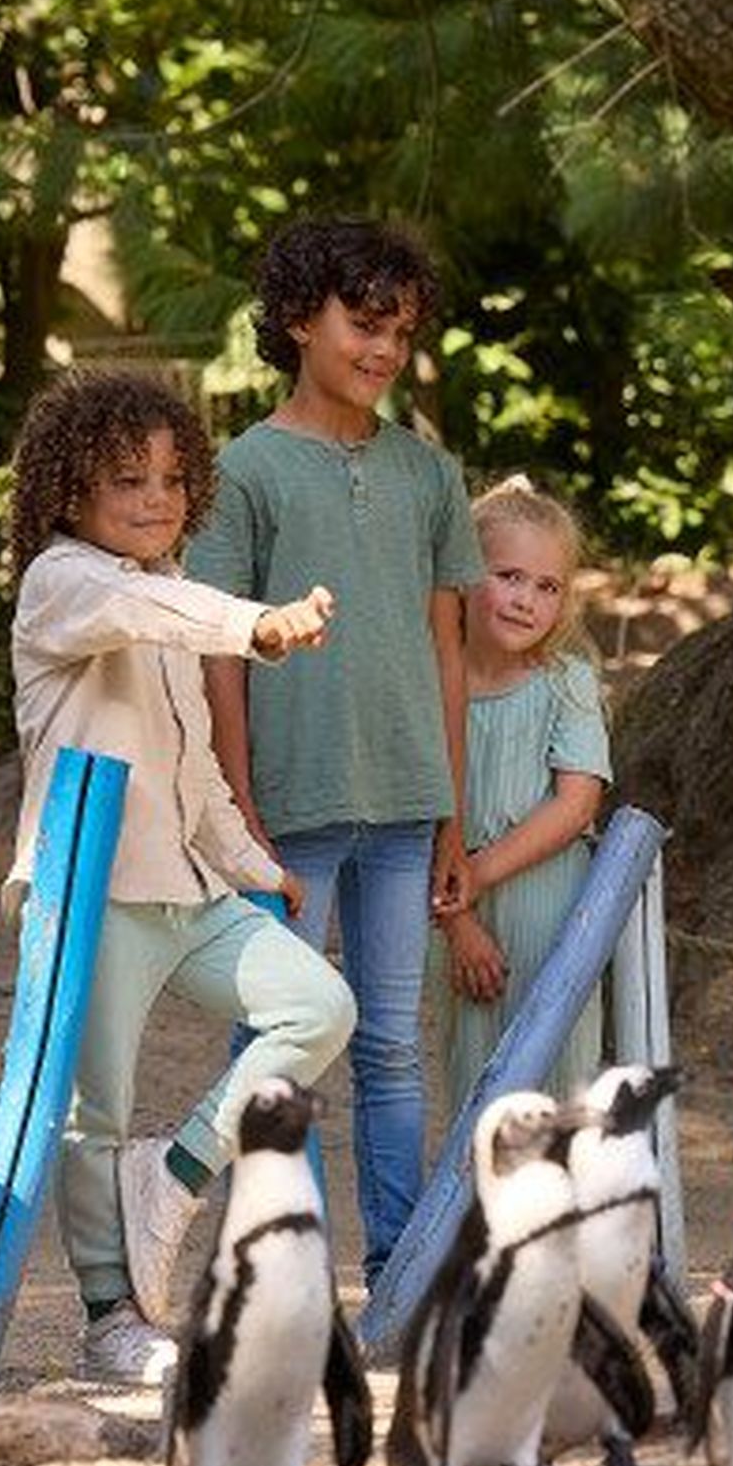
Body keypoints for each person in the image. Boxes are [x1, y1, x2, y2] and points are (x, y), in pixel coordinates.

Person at [1, 367, 354, 1387]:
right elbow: (140, 608)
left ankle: (180, 1169)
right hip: (92, 895)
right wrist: (259, 625)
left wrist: (253, 864)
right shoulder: (64, 582)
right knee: (95, 1114)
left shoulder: (166, 597)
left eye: (170, 478)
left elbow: (195, 766)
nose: (156, 498)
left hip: (192, 890)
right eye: (127, 479)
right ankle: (109, 1316)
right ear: (69, 491)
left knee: (318, 1007)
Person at [185, 218, 477, 1265]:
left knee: (391, 1046)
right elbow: (220, 648)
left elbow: (447, 650)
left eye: (401, 331)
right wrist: (239, 803)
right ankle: (279, 1264)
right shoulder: (242, 471)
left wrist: (451, 815)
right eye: (365, 324)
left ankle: (396, 1269)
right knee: (280, 1041)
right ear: (300, 320)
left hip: (406, 806)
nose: (385, 349)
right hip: (288, 806)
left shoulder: (430, 475)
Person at [432, 476, 613, 1106]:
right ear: (463, 575)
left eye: (547, 587)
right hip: (455, 914)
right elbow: (419, 814)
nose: (525, 601)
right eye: (509, 577)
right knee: (475, 1079)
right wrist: (459, 922)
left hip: (553, 909)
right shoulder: (430, 687)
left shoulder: (568, 683)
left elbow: (576, 804)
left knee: (557, 1076)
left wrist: (475, 876)